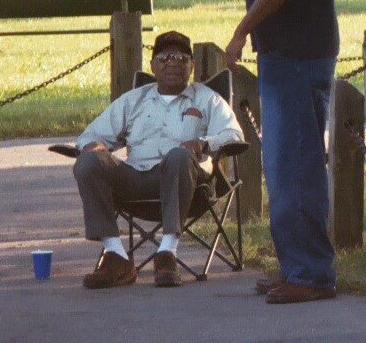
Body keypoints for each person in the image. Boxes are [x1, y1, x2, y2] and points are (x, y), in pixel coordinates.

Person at [224, 0, 341, 306]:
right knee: (292, 161)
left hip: (293, 52)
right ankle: (298, 264)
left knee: (293, 164)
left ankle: (310, 273)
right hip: (297, 50)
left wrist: (242, 29)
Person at [73, 30, 243, 289]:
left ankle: (167, 253)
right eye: (164, 57)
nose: (172, 62)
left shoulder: (208, 99)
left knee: (178, 155)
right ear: (152, 66)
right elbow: (90, 135)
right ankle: (116, 255)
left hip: (189, 186)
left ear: (192, 65)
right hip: (136, 179)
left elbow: (234, 134)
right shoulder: (134, 100)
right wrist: (93, 146)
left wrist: (204, 143)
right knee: (88, 162)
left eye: (180, 57)